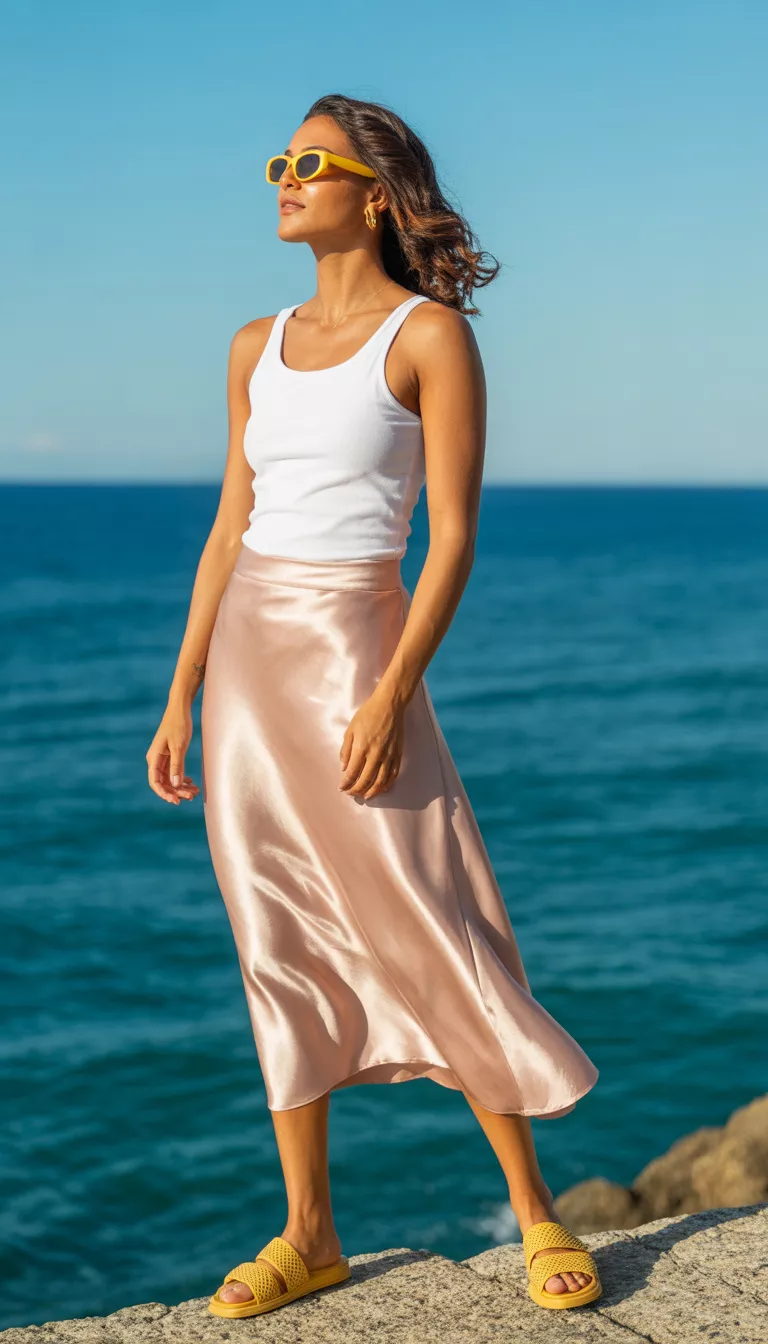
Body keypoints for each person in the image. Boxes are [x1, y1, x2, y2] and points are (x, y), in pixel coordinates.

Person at [146, 92, 602, 1318]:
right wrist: (183, 692)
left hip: (359, 651)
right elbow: (229, 527)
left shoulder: (430, 336)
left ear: (376, 193)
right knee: (274, 940)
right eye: (278, 162)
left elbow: (451, 542)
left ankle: (537, 1209)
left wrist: (398, 689)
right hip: (247, 670)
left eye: (310, 162)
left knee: (429, 916)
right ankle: (309, 1232)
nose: (284, 180)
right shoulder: (254, 342)